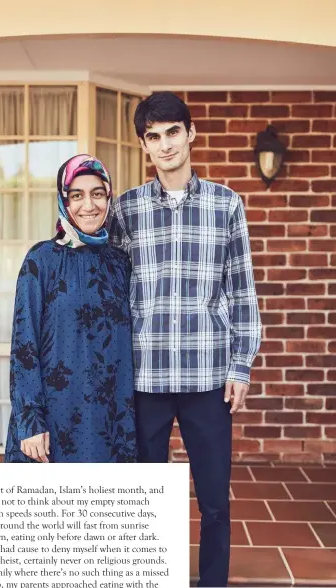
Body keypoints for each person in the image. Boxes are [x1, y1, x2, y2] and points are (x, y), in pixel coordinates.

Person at [108, 92, 262, 587]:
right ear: (144, 146)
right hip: (145, 377)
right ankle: (155, 578)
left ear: (191, 134)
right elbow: (108, 292)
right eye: (154, 136)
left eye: (173, 131)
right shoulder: (125, 210)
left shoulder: (226, 204)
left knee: (215, 498)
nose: (165, 143)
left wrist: (241, 366)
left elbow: (241, 289)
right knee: (146, 497)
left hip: (207, 379)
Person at [5, 154, 136, 463]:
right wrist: (30, 419)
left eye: (97, 193)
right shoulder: (41, 260)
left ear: (108, 197)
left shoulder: (120, 263)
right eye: (76, 195)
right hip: (54, 420)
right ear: (64, 200)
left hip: (111, 421)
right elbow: (24, 345)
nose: (88, 205)